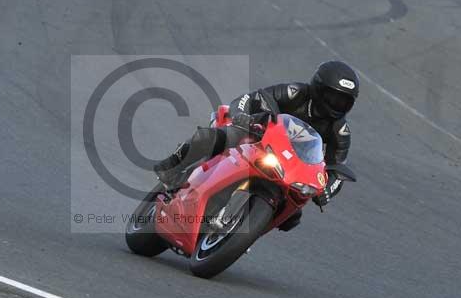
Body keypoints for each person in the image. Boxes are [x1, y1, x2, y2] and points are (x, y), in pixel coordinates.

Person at [153, 60, 358, 225]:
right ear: (318, 88)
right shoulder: (295, 93)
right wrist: (242, 116)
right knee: (219, 137)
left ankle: (245, 230)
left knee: (292, 216)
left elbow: (337, 168)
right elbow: (252, 98)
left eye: (343, 101)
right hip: (259, 138)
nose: (336, 104)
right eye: (332, 97)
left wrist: (327, 191)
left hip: (290, 167)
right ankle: (172, 166)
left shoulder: (340, 130)